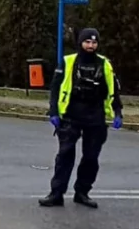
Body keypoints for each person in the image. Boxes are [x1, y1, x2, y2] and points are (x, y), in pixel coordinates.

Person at [39, 28, 123, 209]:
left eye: (94, 43)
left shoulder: (104, 64)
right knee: (65, 155)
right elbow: (55, 88)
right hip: (71, 115)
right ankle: (56, 194)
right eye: (87, 42)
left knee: (91, 158)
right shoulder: (68, 62)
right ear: (80, 43)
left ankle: (82, 193)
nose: (90, 46)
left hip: (95, 116)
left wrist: (118, 112)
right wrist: (53, 112)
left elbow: (113, 90)